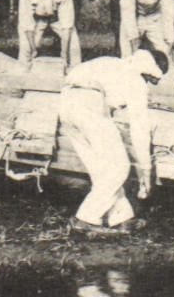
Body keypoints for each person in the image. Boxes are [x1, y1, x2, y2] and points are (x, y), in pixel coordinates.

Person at [58, 47, 167, 235]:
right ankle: (85, 219)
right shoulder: (136, 81)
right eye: (152, 79)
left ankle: (122, 217)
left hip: (66, 103)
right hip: (89, 105)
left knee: (102, 170)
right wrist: (145, 171)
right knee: (120, 167)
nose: (150, 84)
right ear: (150, 70)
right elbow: (140, 129)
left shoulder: (111, 61)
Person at [18, 0, 80, 72]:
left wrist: (64, 52)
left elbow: (67, 23)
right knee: (26, 48)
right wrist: (34, 48)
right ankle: (24, 77)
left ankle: (74, 75)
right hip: (36, 20)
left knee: (74, 45)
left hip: (56, 19)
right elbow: (27, 23)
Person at [117, 0, 174, 79]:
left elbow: (169, 11)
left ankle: (166, 81)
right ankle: (127, 80)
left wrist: (169, 38)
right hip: (135, 16)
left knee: (164, 49)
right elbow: (127, 10)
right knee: (127, 52)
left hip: (154, 16)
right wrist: (133, 39)